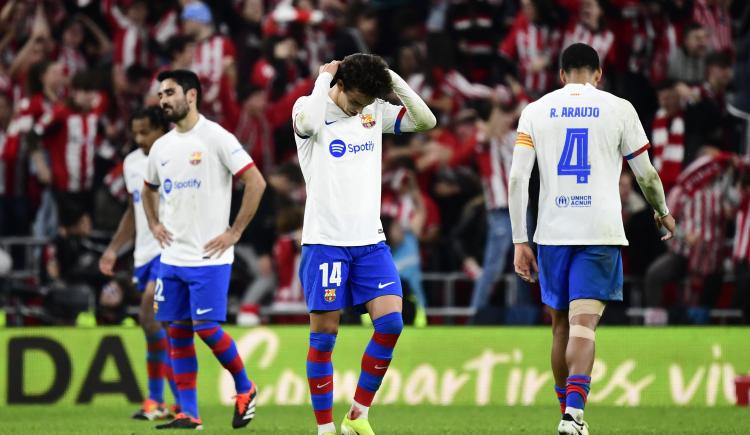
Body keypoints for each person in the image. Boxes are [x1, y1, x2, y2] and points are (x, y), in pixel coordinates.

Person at [508, 43, 675, 435]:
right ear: (598, 74)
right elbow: (646, 174)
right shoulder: (619, 108)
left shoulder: (535, 110)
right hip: (599, 229)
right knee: (584, 326)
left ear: (561, 75)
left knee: (561, 327)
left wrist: (520, 239)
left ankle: (565, 414)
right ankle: (574, 416)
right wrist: (662, 210)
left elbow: (518, 179)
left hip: (552, 233)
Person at [292, 53, 435, 435]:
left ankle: (357, 416)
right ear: (339, 86)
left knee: (391, 324)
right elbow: (307, 121)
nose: (360, 111)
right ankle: (324, 428)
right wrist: (323, 77)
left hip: (370, 242)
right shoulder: (310, 108)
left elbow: (426, 120)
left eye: (367, 103)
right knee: (324, 337)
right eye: (355, 101)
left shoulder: (372, 113)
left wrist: (391, 79)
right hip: (326, 242)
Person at [141, 69, 267, 430]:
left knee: (206, 329)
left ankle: (246, 387)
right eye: (160, 94)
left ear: (191, 95)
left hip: (209, 257)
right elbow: (148, 188)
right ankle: (189, 413)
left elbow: (255, 182)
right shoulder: (161, 147)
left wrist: (235, 231)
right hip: (172, 258)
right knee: (177, 332)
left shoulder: (216, 138)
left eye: (169, 92)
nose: (162, 100)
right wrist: (153, 223)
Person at [98, 106, 179, 420]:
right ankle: (159, 401)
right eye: (135, 132)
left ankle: (177, 400)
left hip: (170, 249)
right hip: (142, 254)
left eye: (146, 131)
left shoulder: (176, 155)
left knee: (150, 312)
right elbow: (133, 211)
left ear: (161, 129)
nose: (140, 138)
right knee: (155, 326)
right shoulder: (132, 162)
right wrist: (113, 250)